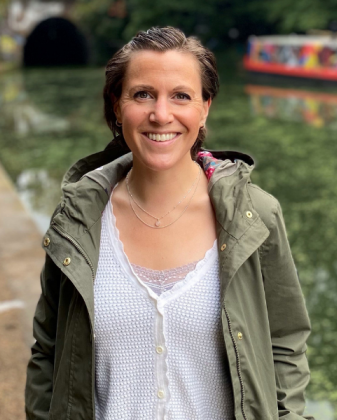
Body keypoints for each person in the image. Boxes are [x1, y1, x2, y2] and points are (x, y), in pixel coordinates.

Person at [25, 26, 314, 420]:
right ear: (116, 104)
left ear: (205, 107)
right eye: (143, 94)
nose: (161, 115)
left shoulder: (255, 216)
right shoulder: (76, 220)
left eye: (181, 96)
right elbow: (48, 351)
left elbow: (285, 344)